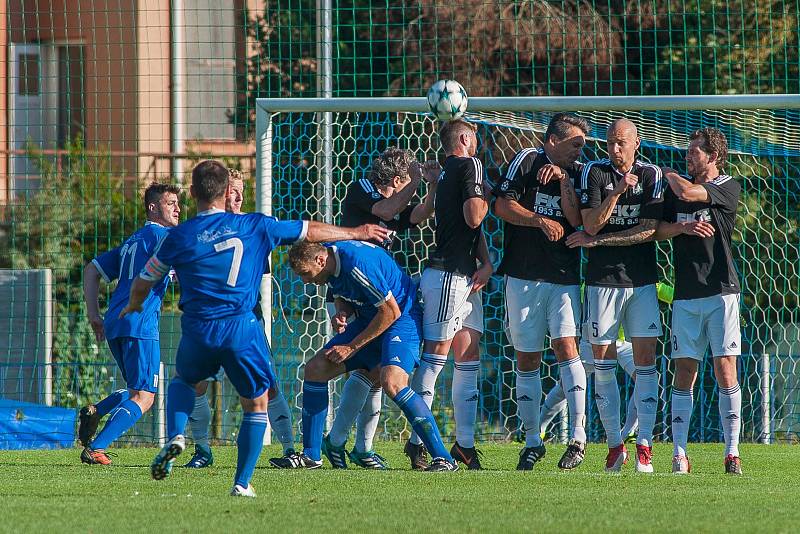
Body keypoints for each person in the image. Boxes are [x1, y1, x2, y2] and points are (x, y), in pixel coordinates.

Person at [120, 160, 389, 497]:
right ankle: (241, 482)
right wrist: (355, 232)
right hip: (241, 328)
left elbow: (146, 279)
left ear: (192, 193)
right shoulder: (255, 226)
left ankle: (177, 435)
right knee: (257, 402)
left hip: (199, 327)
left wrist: (132, 306)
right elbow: (309, 230)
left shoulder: (179, 235)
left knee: (184, 382)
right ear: (225, 192)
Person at [288, 240, 458, 471]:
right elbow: (341, 291)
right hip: (372, 319)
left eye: (305, 274)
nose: (305, 280)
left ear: (320, 260)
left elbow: (391, 311)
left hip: (401, 319)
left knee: (392, 382)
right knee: (315, 369)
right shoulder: (329, 261)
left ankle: (444, 458)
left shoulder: (355, 263)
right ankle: (311, 456)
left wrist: (351, 347)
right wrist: (342, 311)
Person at [321, 147, 439, 470]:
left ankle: (357, 447)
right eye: (406, 183)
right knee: (367, 371)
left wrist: (431, 185)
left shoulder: (397, 202)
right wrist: (414, 181)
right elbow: (387, 211)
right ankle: (339, 442)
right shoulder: (362, 189)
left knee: (373, 373)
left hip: (375, 293)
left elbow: (417, 214)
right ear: (398, 180)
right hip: (356, 292)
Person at [566, 118, 665, 473]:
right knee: (602, 364)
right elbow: (590, 223)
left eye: (622, 142)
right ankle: (613, 445)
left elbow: (649, 229)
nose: (615, 148)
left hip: (641, 282)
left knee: (647, 363)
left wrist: (600, 240)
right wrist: (617, 192)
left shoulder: (652, 175)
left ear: (636, 143)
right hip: (602, 282)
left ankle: (645, 447)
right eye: (610, 142)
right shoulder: (594, 173)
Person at [492, 113, 589, 470]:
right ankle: (533, 441)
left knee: (567, 347)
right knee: (527, 357)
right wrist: (538, 220)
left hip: (563, 276)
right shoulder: (527, 161)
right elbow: (501, 205)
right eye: (575, 144)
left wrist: (565, 181)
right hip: (522, 275)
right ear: (552, 141)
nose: (580, 150)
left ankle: (578, 438)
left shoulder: (580, 173)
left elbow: (578, 221)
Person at [183, 170, 297, 469]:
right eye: (233, 190)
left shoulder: (252, 227)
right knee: (197, 384)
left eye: (241, 191)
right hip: (208, 319)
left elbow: (261, 272)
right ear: (221, 194)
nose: (238, 196)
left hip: (247, 319)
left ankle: (289, 448)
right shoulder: (202, 229)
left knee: (267, 383)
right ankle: (202, 449)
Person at [654, 128, 743, 475]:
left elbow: (692, 193)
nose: (688, 156)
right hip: (686, 295)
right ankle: (679, 453)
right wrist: (682, 229)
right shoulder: (674, 190)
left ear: (713, 156)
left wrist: (668, 173)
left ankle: (732, 452)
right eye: (687, 152)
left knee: (725, 370)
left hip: (721, 292)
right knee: (684, 372)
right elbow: (658, 229)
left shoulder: (728, 186)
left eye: (694, 152)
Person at [411, 119, 493, 470]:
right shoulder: (469, 164)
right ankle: (417, 443)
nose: (478, 143)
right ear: (464, 138)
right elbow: (475, 217)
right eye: (474, 136)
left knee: (468, 357)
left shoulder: (447, 171)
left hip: (466, 274)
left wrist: (488, 263)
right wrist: (491, 194)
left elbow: (468, 230)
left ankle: (465, 445)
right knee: (435, 359)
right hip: (448, 275)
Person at [78, 183, 181, 464]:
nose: (178, 208)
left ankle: (98, 411)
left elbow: (91, 270)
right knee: (145, 396)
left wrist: (94, 315)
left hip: (115, 322)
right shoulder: (166, 237)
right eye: (170, 202)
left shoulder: (133, 241)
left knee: (136, 389)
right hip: (140, 323)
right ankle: (95, 448)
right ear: (152, 207)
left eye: (177, 203)